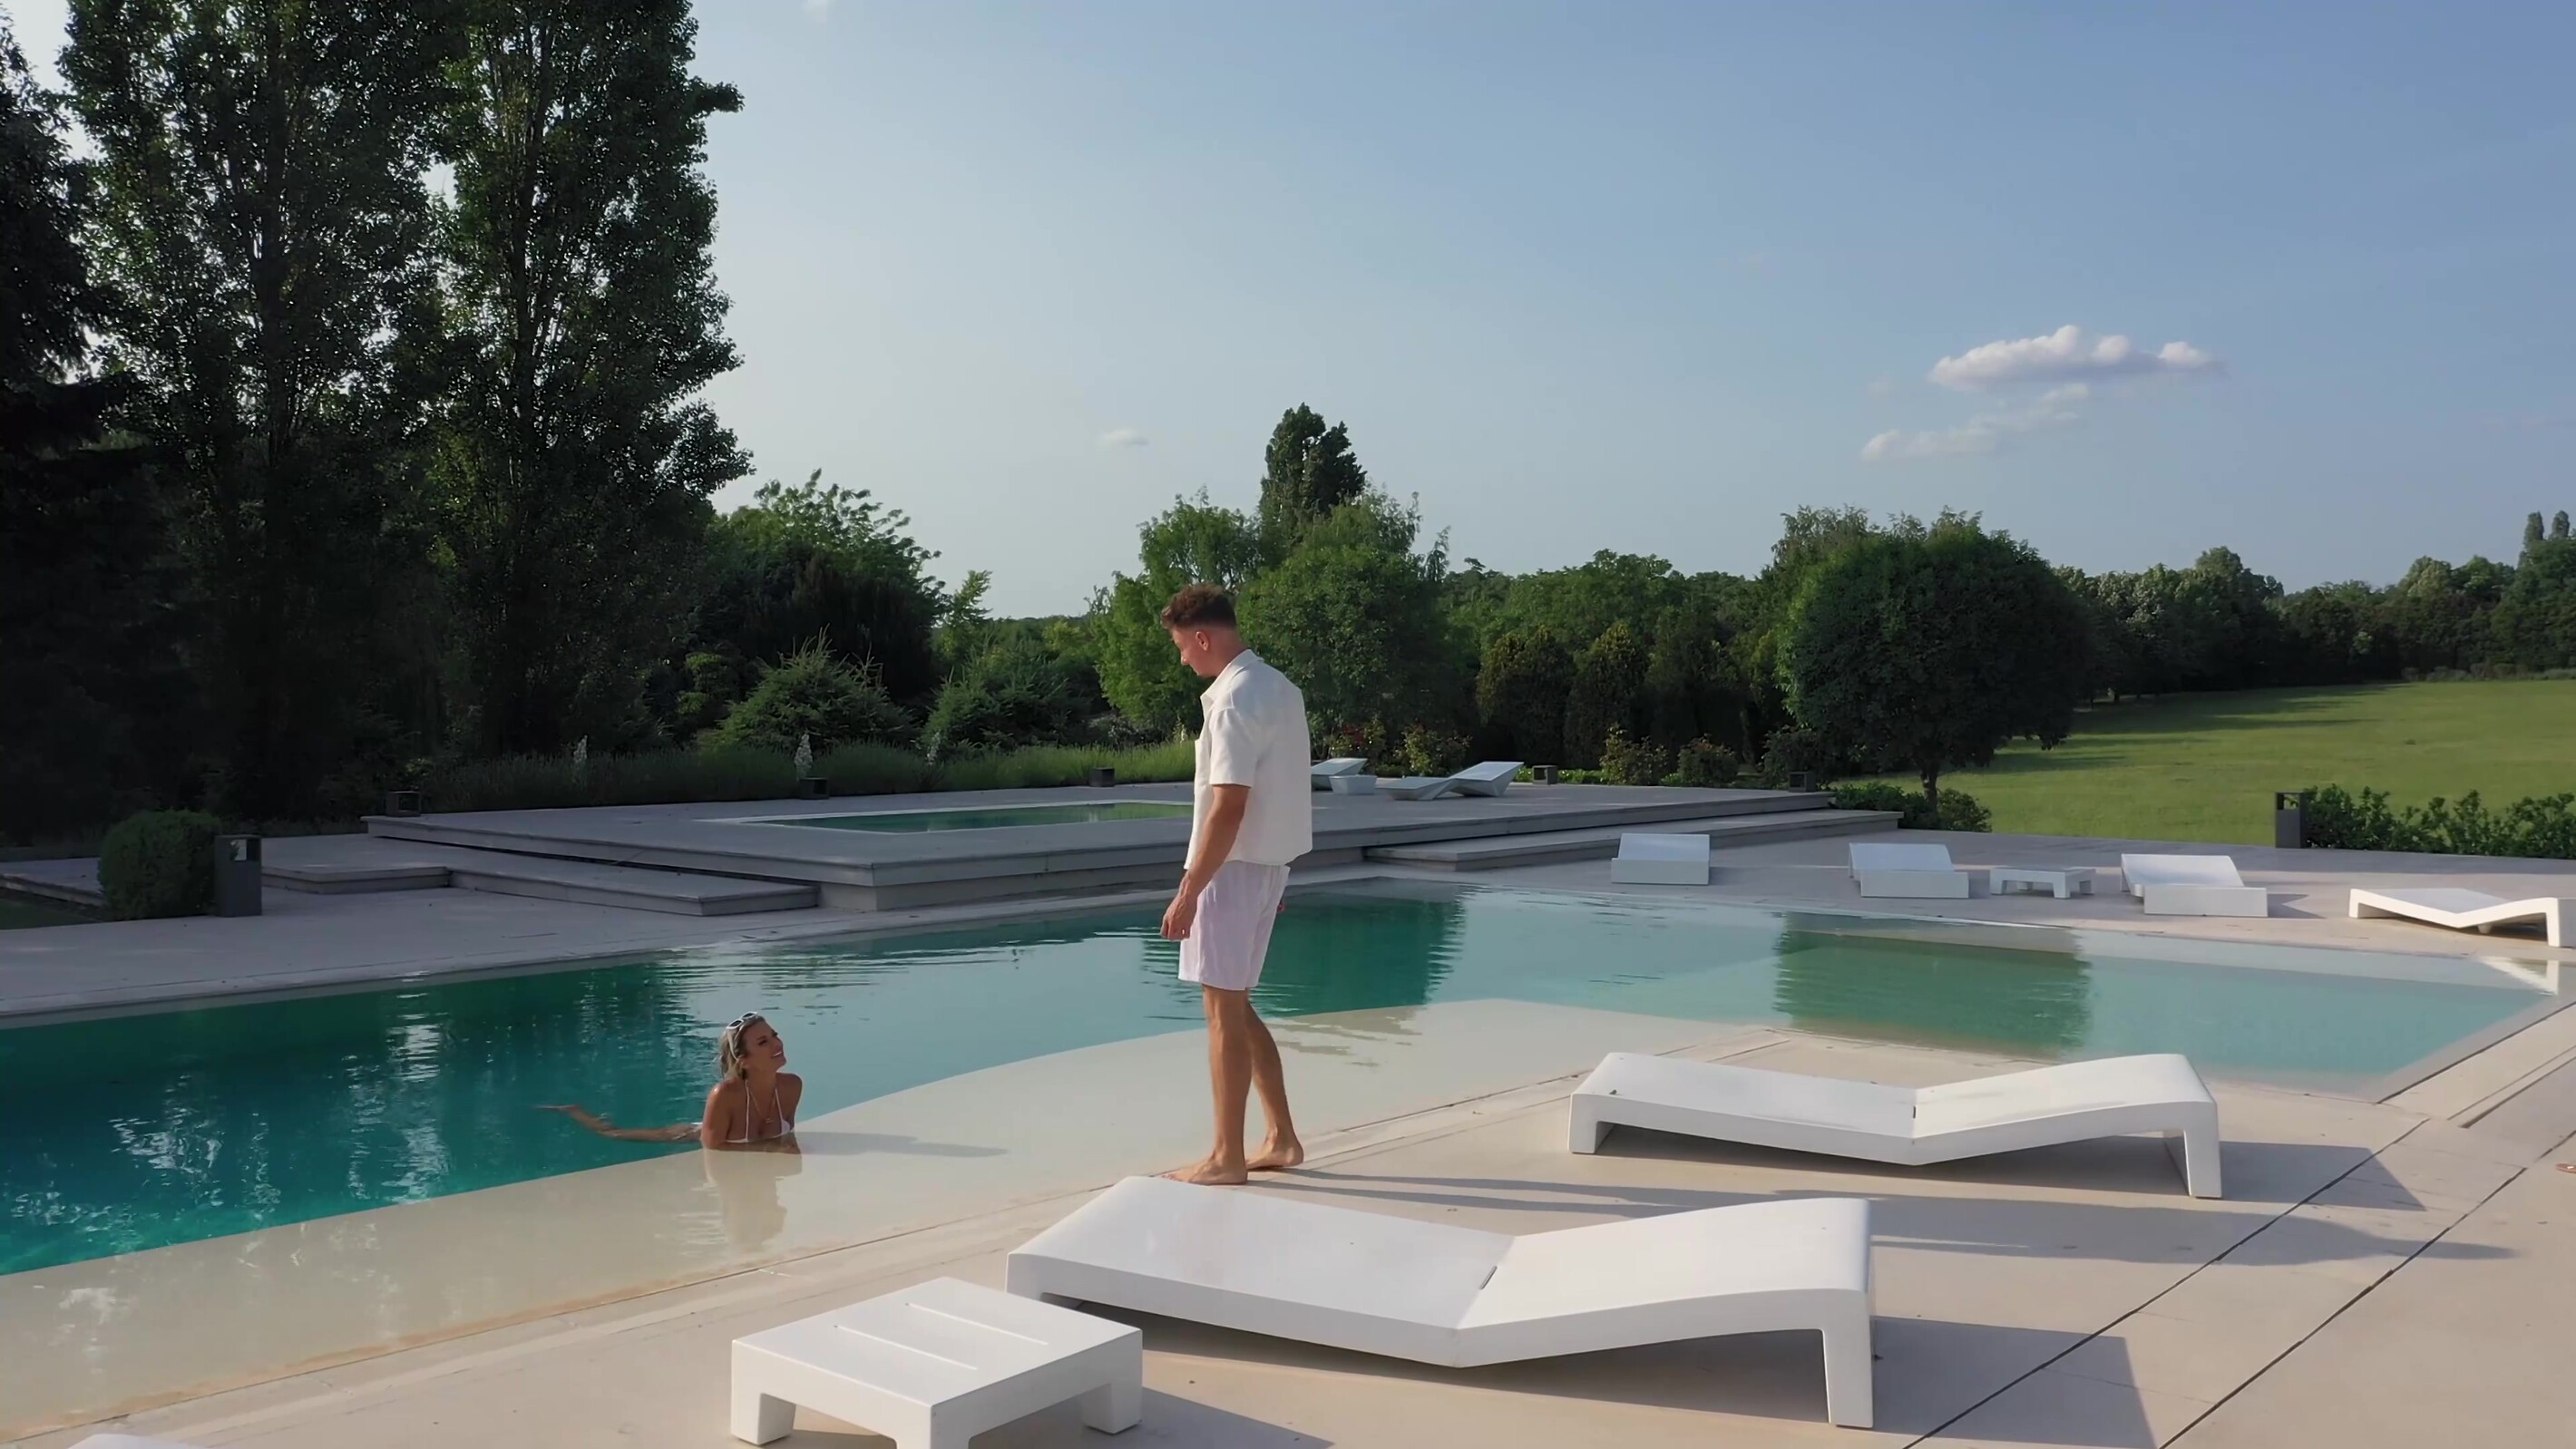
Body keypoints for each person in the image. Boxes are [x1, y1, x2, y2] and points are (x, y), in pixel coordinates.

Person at [1158, 583, 1312, 1186]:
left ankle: (1226, 1156)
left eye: (1182, 647)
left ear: (1203, 637)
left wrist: (1189, 890)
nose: (1182, 659)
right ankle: (1282, 1138)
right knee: (1238, 1006)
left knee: (1223, 1012)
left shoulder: (1231, 701)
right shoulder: (1281, 688)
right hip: (1266, 867)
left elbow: (1228, 806)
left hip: (1231, 869)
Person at [542, 1012, 804, 1152]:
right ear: (744, 1061)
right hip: (695, 1132)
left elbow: (786, 1136)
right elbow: (713, 1147)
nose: (777, 1044)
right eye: (763, 1042)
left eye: (774, 1035)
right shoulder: (724, 1094)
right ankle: (574, 1111)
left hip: (724, 1134)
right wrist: (768, 1149)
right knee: (614, 1134)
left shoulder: (792, 1086)